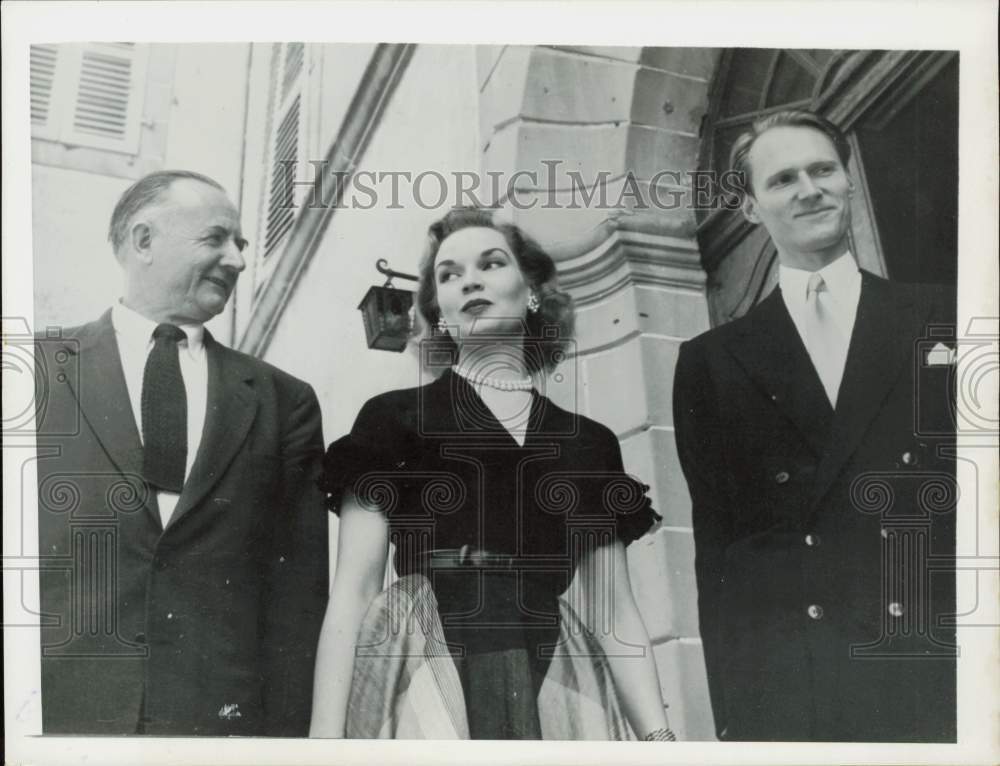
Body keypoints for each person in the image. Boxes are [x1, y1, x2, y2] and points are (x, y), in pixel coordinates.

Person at [310, 208, 674, 740]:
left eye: (491, 263)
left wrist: (659, 740)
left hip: (554, 664)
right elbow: (354, 589)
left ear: (531, 292)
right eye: (449, 274)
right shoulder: (392, 418)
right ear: (439, 311)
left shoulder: (589, 442)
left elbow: (614, 611)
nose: (469, 280)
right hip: (424, 653)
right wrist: (324, 740)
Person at [673, 110, 956, 742]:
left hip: (935, 654)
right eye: (782, 180)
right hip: (803, 680)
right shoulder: (711, 360)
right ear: (749, 208)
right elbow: (717, 550)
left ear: (849, 179)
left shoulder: (949, 313)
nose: (809, 189)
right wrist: (738, 715)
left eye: (823, 169)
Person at [34, 170, 329, 735]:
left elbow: (299, 599)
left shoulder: (283, 401)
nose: (238, 261)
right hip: (53, 717)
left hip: (217, 724)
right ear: (143, 241)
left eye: (240, 245)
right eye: (216, 238)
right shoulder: (32, 373)